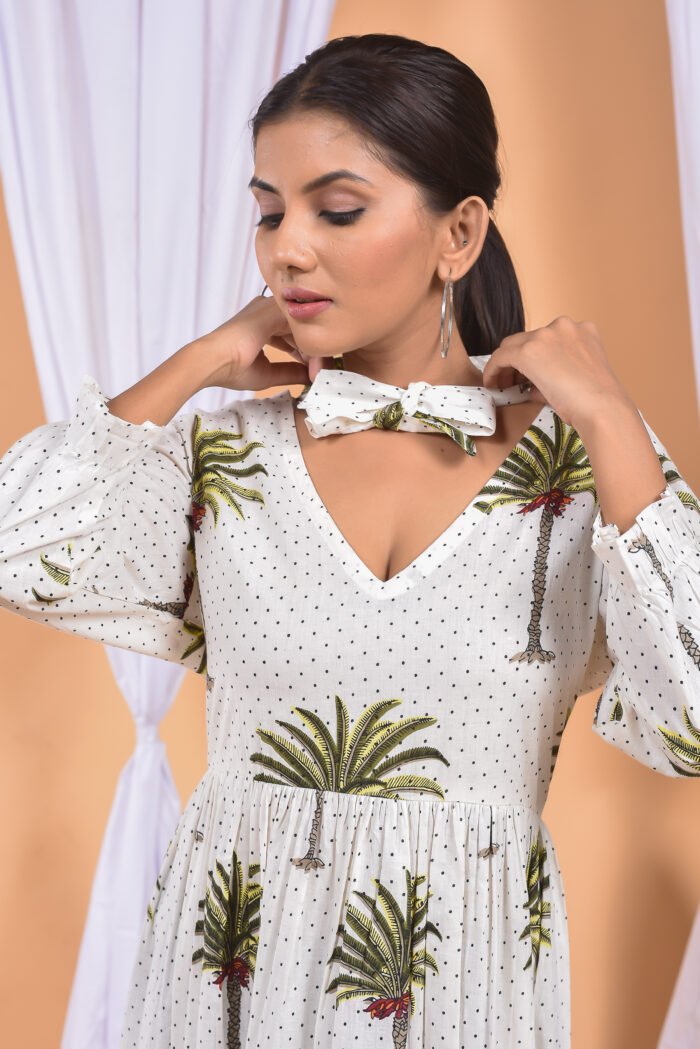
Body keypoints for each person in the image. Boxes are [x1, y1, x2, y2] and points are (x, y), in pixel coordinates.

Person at [1, 32, 698, 1049]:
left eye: (335, 209)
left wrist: (608, 416)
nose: (287, 248)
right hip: (224, 967)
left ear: (458, 233)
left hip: (465, 982)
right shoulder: (224, 450)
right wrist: (194, 362)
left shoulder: (584, 467)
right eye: (268, 212)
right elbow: (22, 544)